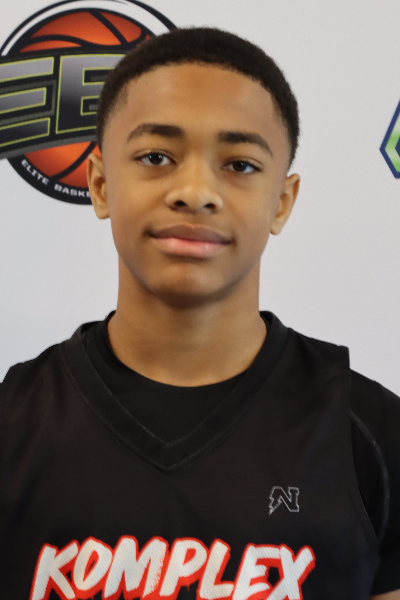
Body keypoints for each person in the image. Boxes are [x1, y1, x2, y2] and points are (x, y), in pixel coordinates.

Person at [0, 27, 399, 600]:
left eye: (239, 165)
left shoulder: (372, 437)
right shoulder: (15, 423)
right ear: (101, 184)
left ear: (282, 202)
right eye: (156, 157)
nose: (195, 191)